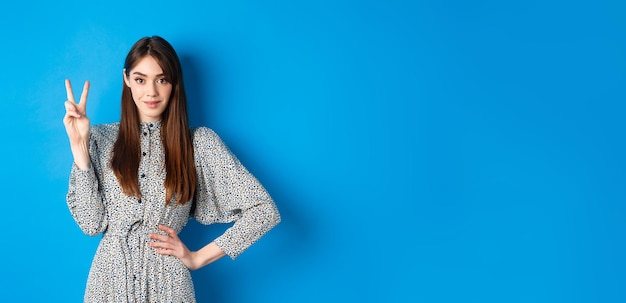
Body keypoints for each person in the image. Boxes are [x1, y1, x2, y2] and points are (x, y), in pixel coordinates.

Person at [63, 36, 280, 302]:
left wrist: (197, 258)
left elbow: (264, 211)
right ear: (127, 79)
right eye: (141, 79)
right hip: (108, 284)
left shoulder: (198, 143)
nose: (151, 92)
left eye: (162, 79)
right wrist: (79, 149)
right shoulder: (99, 138)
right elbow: (91, 224)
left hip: (169, 286)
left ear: (174, 83)